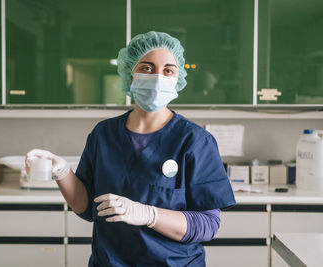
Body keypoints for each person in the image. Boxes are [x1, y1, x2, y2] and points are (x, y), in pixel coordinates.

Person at [26, 31, 236, 266]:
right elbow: (87, 209)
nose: (158, 77)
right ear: (129, 73)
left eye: (168, 70)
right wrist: (64, 173)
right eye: (146, 68)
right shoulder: (103, 135)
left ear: (178, 78)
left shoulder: (194, 141)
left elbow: (207, 225)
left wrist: (149, 214)